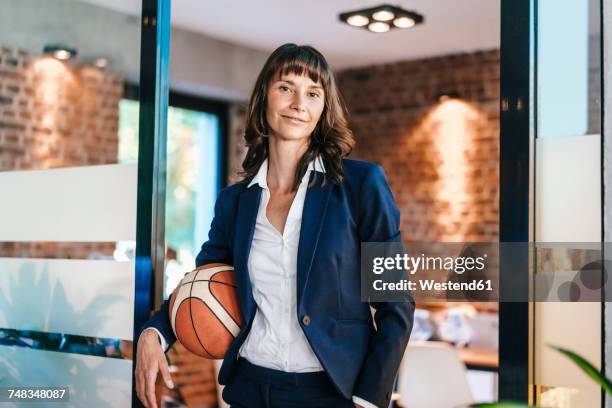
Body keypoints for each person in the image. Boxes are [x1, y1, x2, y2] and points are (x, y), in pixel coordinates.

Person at [135, 43, 415, 408]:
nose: (299, 103)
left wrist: (368, 400)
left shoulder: (362, 186)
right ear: (264, 97)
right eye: (286, 87)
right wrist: (154, 332)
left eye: (313, 93)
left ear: (323, 109)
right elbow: (203, 278)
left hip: (334, 394)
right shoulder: (235, 201)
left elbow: (397, 305)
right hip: (252, 389)